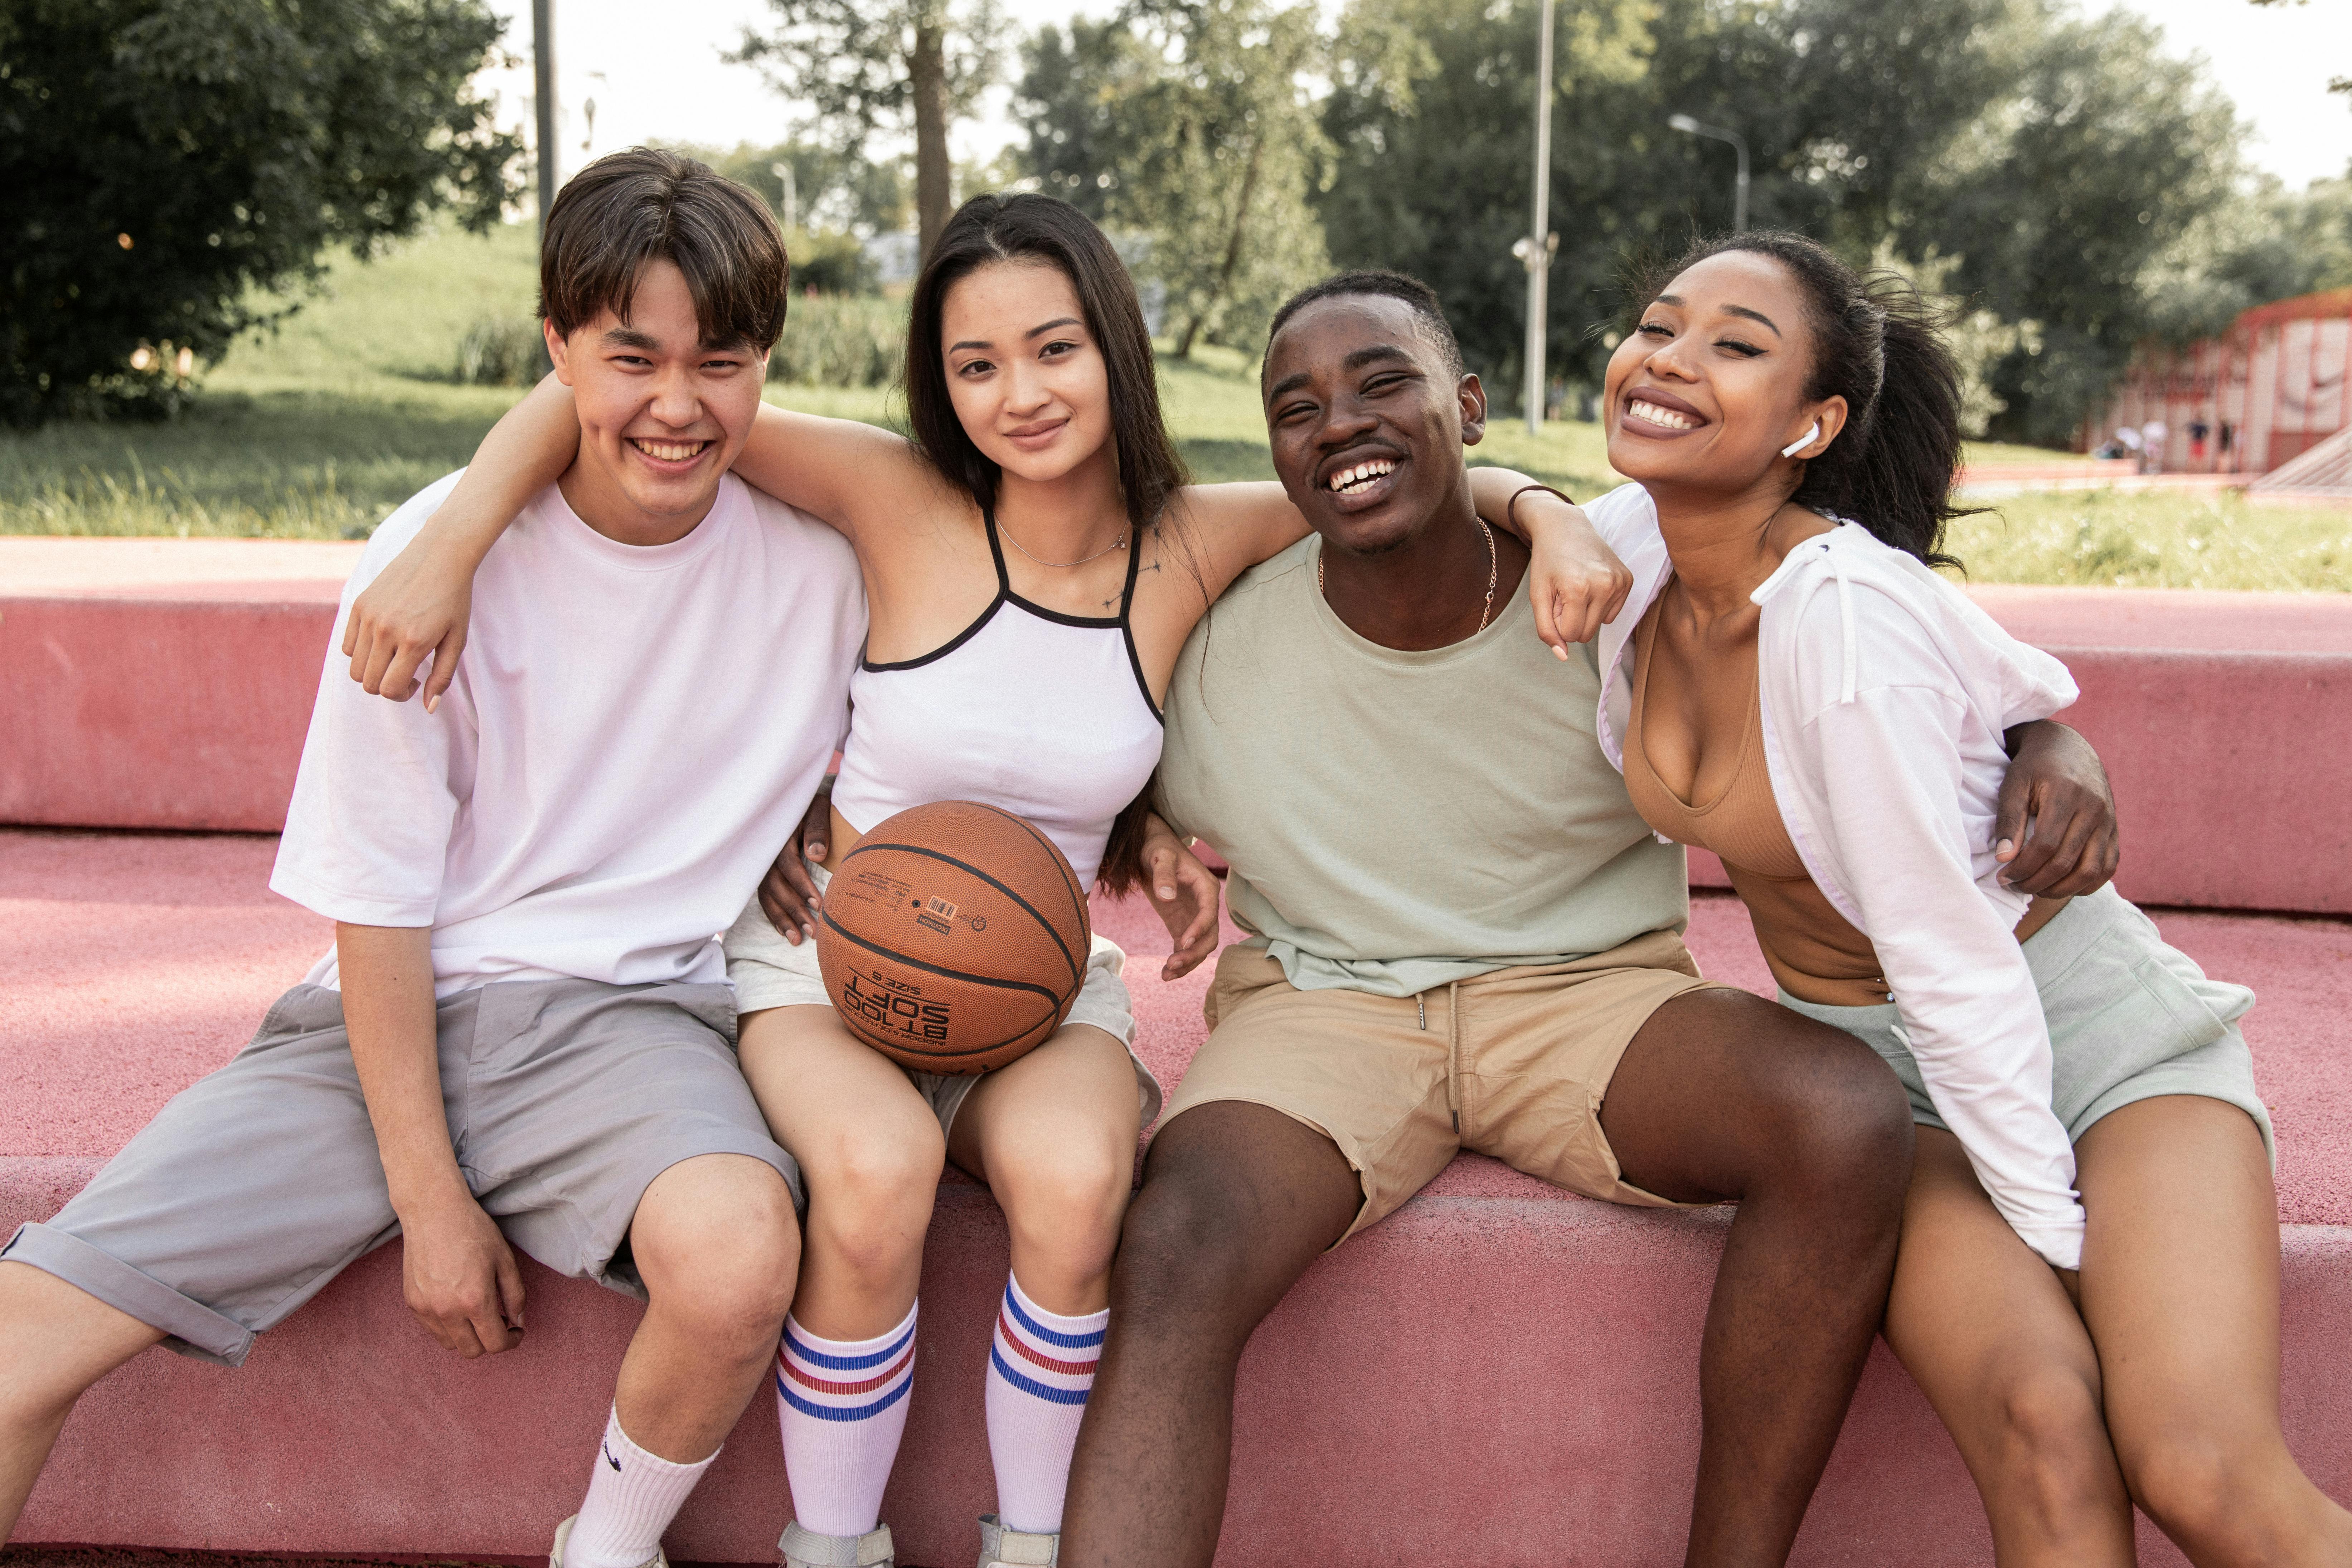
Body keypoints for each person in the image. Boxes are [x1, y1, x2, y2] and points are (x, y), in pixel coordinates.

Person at [337, 196, 1625, 1568]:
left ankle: (1031, 1547)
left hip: (1037, 983)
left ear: (1113, 352)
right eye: (975, 365)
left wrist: (1549, 510)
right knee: (877, 1174)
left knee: (1079, 1185)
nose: (1020, 394)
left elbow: (1400, 468)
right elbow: (616, 402)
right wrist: (450, 538)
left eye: (1054, 349)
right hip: (828, 962)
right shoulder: (893, 496)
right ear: (939, 388)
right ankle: (829, 1549)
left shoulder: (1191, 539)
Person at [1061, 270, 2123, 1568]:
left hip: (1589, 996)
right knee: (1175, 1235)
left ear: (1469, 405)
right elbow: (1060, 746)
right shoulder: (1216, 639)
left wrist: (2043, 731)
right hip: (1322, 1007)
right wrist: (1141, 826)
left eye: (1382, 383)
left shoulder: (1614, 575)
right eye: (1298, 408)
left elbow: (1893, 632)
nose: (1339, 422)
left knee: (1840, 1114)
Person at [0, 149, 867, 1568]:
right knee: (23, 1338)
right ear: (556, 351)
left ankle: (607, 1544)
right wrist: (431, 1204)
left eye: (720, 362)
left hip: (628, 1024)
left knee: (737, 1253)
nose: (675, 403)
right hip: (382, 1026)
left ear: (766, 361)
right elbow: (381, 903)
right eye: (628, 357)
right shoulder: (430, 565)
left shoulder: (824, 563)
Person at [1580, 229, 2352, 1564]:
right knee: (2042, 1422)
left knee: (2193, 1462)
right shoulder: (1635, 551)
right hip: (1881, 1080)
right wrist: (2054, 731)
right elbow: (1475, 497)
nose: (1671, 358)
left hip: (2083, 1041)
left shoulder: (1839, 626)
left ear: (1812, 424)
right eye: (1658, 325)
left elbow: (1953, 966)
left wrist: (2050, 1233)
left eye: (1734, 345)